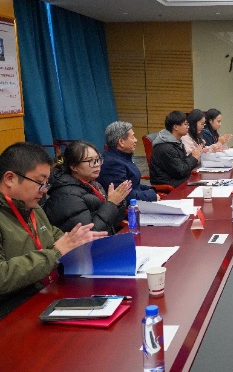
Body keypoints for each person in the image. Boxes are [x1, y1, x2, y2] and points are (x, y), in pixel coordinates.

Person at [0, 142, 107, 313]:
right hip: (14, 311)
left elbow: (53, 235)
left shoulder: (32, 207)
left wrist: (79, 241)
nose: (44, 190)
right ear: (10, 179)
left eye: (46, 183)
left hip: (48, 294)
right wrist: (56, 253)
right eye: (39, 182)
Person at [44, 140, 132, 234]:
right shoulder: (66, 195)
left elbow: (111, 223)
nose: (97, 164)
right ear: (73, 166)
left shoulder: (93, 184)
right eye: (90, 161)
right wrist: (111, 204)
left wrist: (117, 203)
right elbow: (89, 234)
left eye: (98, 159)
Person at [98, 121, 159, 202]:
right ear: (121, 142)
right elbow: (124, 196)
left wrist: (151, 190)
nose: (136, 140)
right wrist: (152, 196)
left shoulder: (122, 156)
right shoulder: (112, 164)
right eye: (133, 137)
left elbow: (134, 185)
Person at [150, 111, 202, 187]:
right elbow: (181, 171)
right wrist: (193, 158)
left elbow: (182, 164)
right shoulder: (166, 148)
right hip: (170, 185)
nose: (188, 127)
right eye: (185, 124)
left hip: (179, 180)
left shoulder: (176, 142)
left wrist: (193, 155)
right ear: (176, 127)